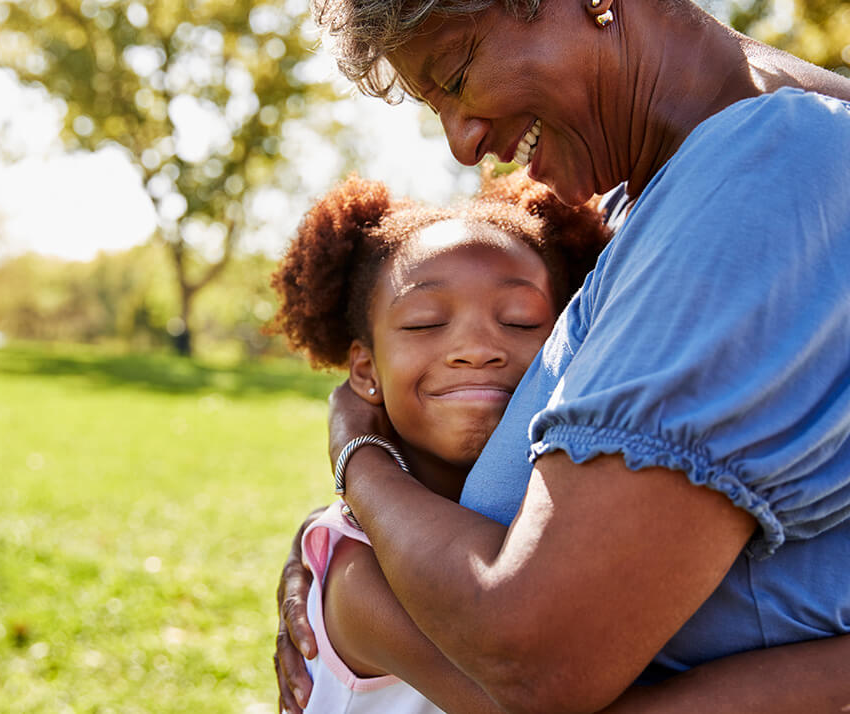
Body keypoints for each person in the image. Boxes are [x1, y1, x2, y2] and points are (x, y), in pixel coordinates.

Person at [274, 0, 850, 712]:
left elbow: (534, 660)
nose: (461, 143)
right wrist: (340, 546)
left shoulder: (767, 173)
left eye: (455, 76)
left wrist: (355, 453)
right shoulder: (631, 210)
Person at [270, 170, 610, 712]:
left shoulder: (561, 506)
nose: (476, 348)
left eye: (521, 321)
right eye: (426, 323)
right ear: (365, 368)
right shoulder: (359, 573)